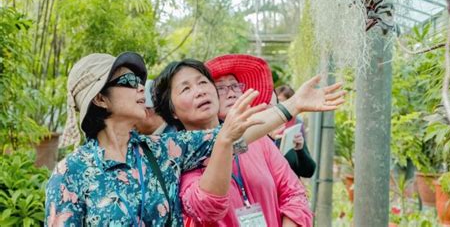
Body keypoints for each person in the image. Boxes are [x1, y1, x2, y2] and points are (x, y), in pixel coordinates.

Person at [45, 52, 324, 226]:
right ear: (100, 98)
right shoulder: (71, 174)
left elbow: (234, 135)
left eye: (140, 81)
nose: (141, 87)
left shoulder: (162, 150)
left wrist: (293, 106)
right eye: (129, 82)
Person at [153, 54, 345, 226]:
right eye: (186, 88)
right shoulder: (174, 158)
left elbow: (294, 193)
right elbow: (206, 207)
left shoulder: (260, 142)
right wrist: (292, 105)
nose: (200, 91)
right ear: (172, 111)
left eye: (203, 82)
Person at [273, 85, 317, 178]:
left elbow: (308, 171)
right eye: (278, 102)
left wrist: (300, 150)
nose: (282, 109)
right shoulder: (261, 130)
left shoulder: (294, 130)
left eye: (287, 104)